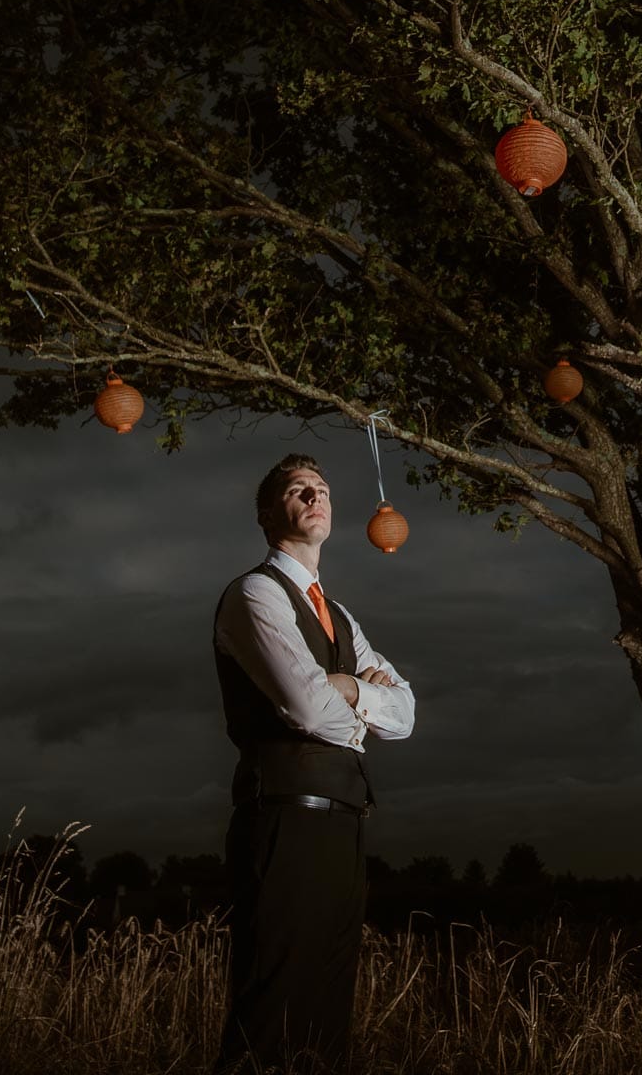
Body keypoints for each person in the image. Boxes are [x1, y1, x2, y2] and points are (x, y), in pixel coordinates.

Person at [212, 453, 416, 1072]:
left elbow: (405, 715)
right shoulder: (254, 593)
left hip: (347, 815)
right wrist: (356, 701)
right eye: (299, 490)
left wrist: (350, 687)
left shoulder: (344, 616)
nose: (315, 496)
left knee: (327, 1012)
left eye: (323, 488)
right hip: (283, 814)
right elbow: (306, 709)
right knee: (271, 1005)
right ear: (270, 512)